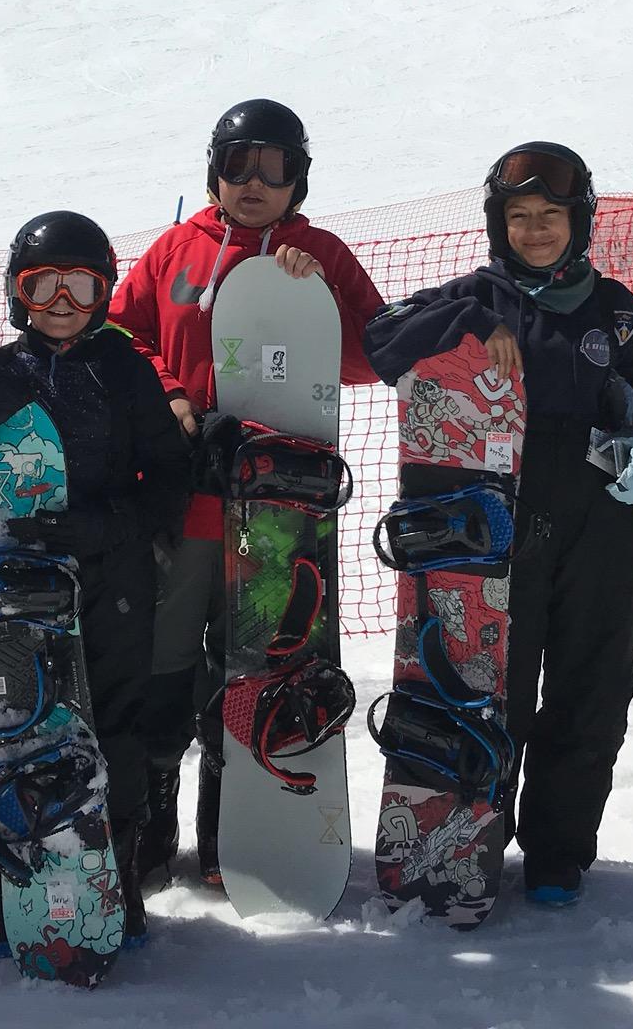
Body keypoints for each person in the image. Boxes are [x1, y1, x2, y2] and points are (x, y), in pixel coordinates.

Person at [365, 143, 633, 907]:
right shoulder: (479, 293)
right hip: (503, 526)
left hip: (602, 521)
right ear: (500, 226)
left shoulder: (618, 309)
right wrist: (467, 321)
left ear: (581, 221)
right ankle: (472, 834)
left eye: (552, 216)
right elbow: (382, 340)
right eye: (520, 216)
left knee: (590, 688)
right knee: (494, 686)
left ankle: (558, 852)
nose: (536, 230)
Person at [110, 99, 385, 887]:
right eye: (239, 165)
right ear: (215, 172)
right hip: (183, 503)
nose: (255, 183)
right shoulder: (176, 251)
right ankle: (151, 826)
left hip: (278, 519)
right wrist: (168, 391)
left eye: (273, 168)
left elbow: (369, 356)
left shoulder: (319, 251)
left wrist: (317, 300)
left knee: (255, 668)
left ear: (298, 177)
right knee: (166, 667)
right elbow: (122, 334)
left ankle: (236, 838)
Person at [0, 212, 191, 950]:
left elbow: (171, 480)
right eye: (44, 286)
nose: (63, 302)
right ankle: (11, 891)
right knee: (22, 725)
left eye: (81, 285)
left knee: (116, 729)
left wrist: (108, 525)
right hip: (21, 592)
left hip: (114, 579)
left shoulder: (124, 369)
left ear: (103, 292)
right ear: (17, 293)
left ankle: (116, 883)